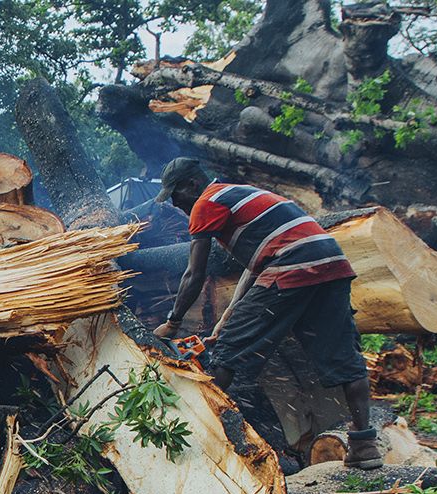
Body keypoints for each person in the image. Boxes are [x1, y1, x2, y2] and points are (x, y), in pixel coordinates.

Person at [149, 157, 383, 470]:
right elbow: (254, 269)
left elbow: (195, 272)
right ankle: (364, 445)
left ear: (193, 185)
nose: (177, 205)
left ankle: (202, 441)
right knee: (345, 356)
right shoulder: (240, 194)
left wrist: (172, 322)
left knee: (227, 356)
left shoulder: (207, 202)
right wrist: (227, 318)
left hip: (291, 264)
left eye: (177, 196)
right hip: (331, 263)